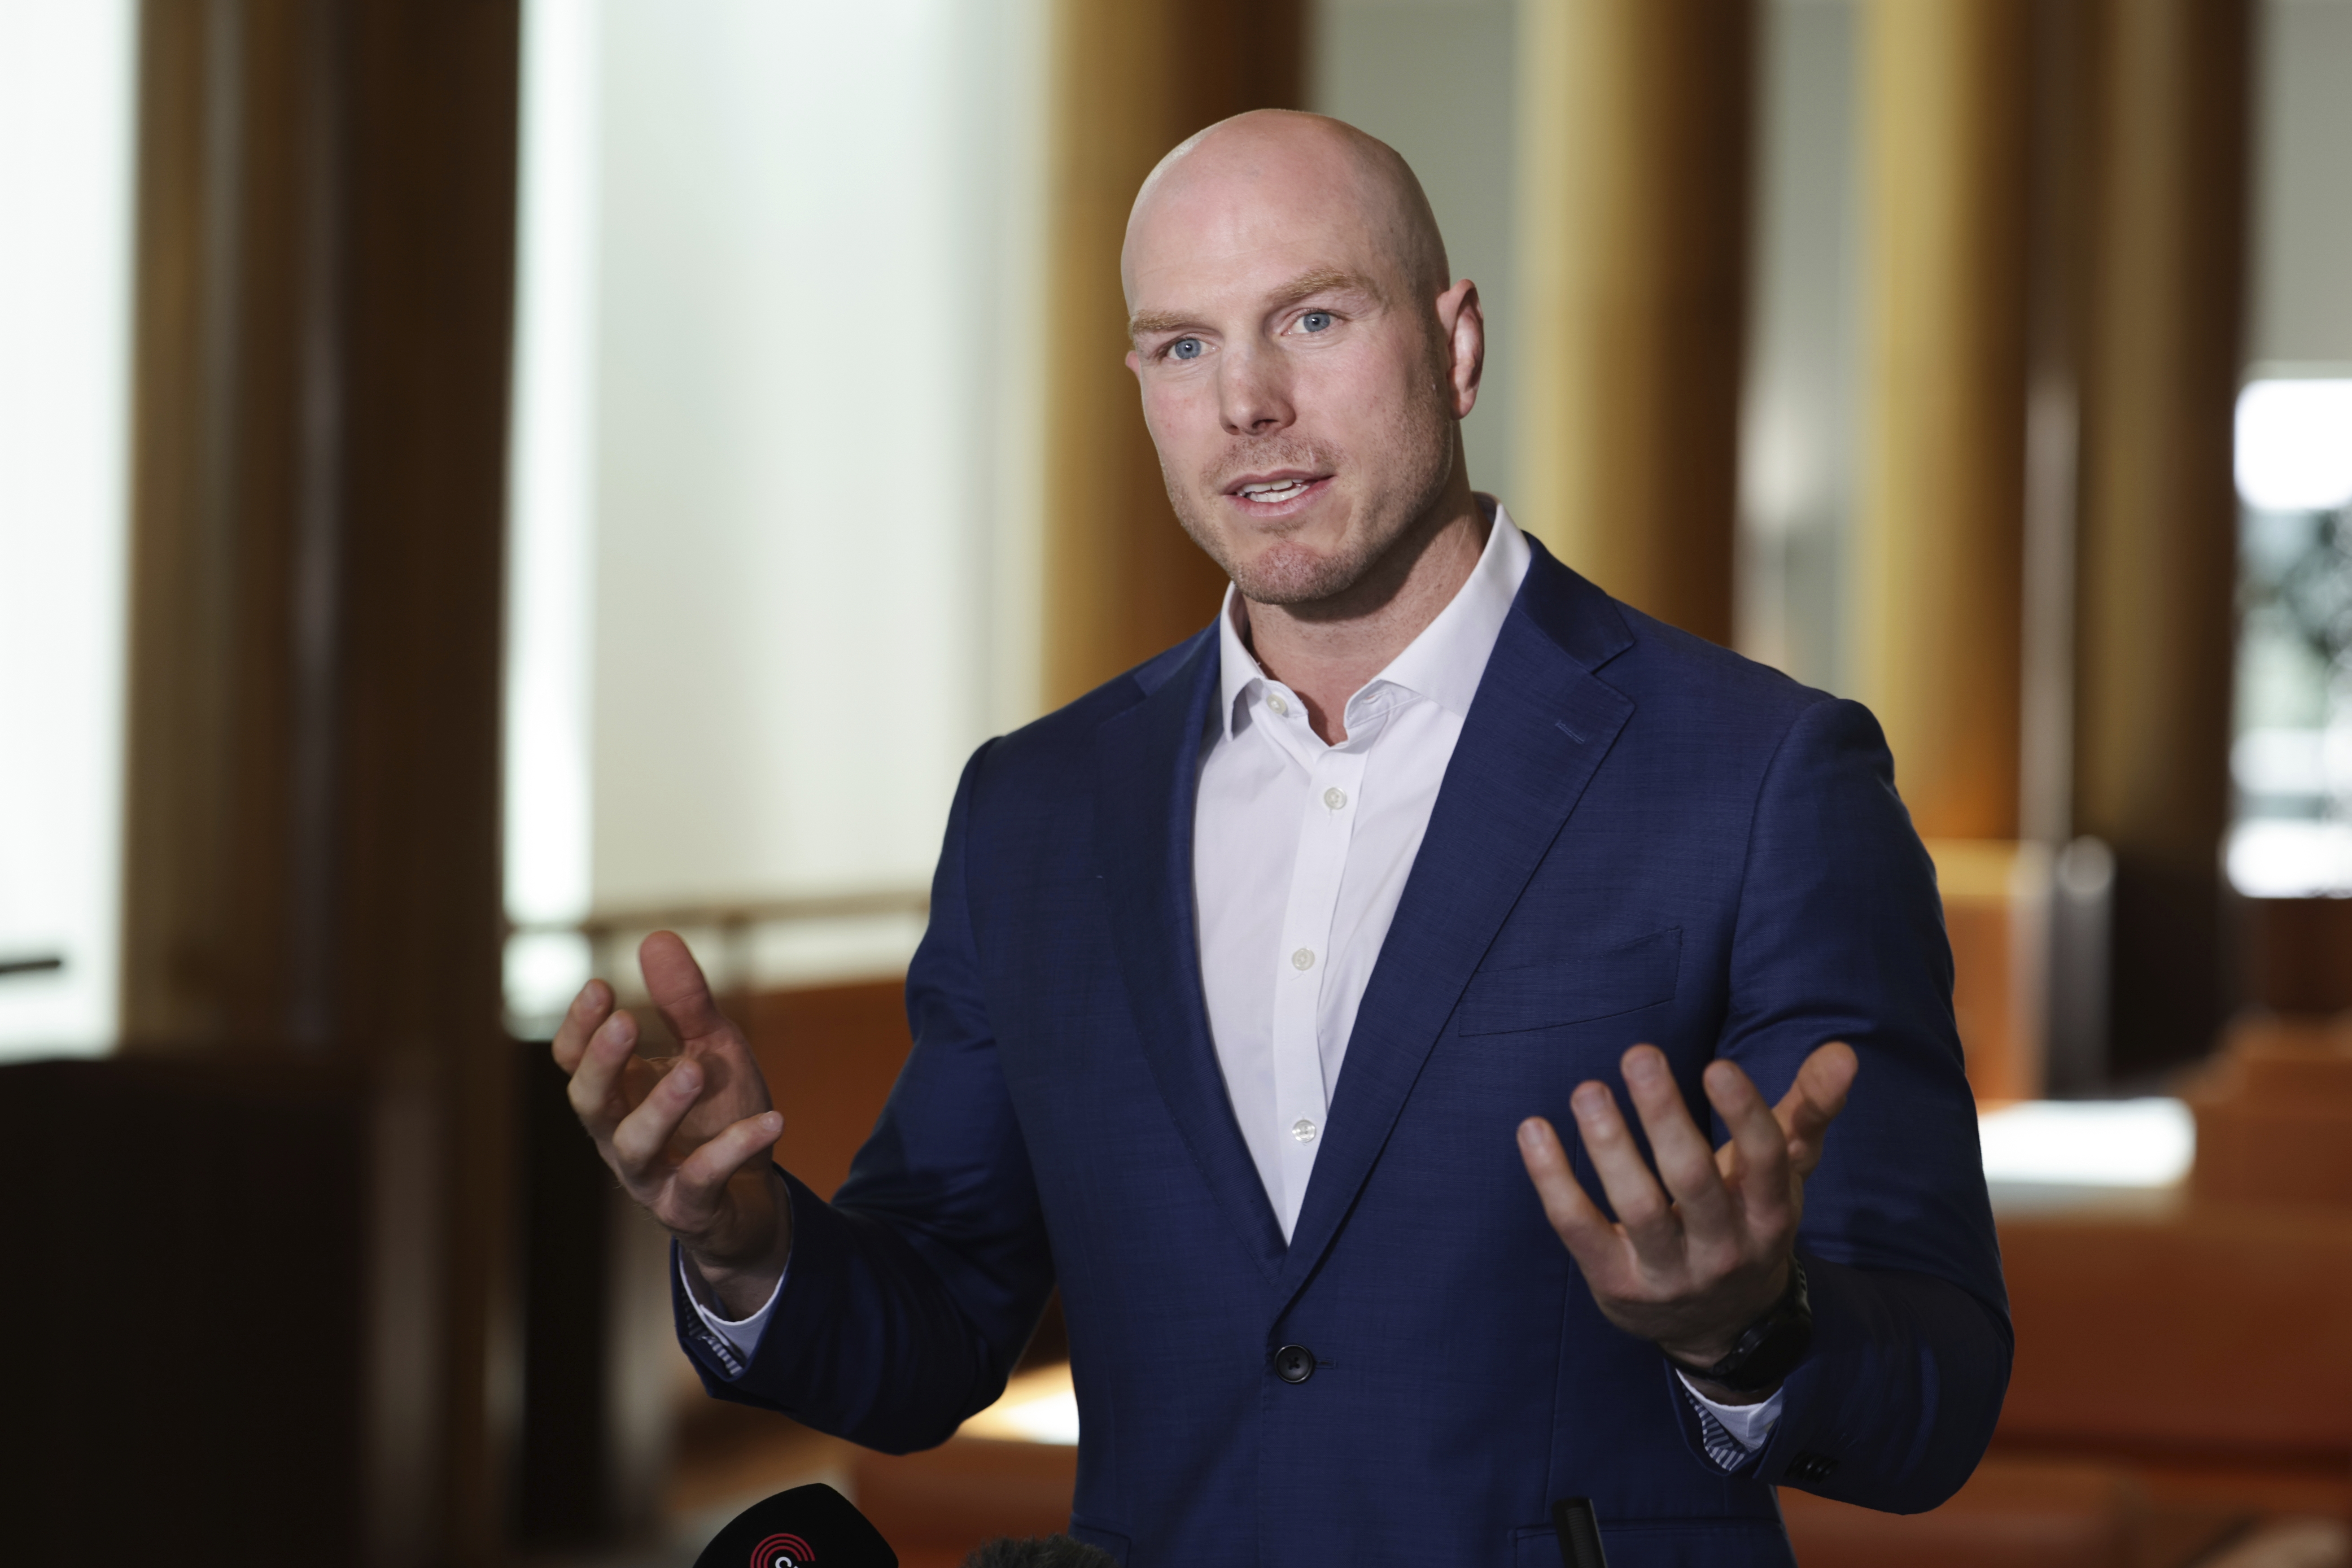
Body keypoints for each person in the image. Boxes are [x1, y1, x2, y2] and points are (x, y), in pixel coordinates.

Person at [555, 110, 2009, 1566]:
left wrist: (1740, 1327)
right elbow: (926, 1333)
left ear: (1454, 345)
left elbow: (1934, 1395)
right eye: (1184, 346)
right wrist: (747, 1242)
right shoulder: (1036, 809)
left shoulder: (1761, 775)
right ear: (1142, 388)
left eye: (1313, 318)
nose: (1246, 400)